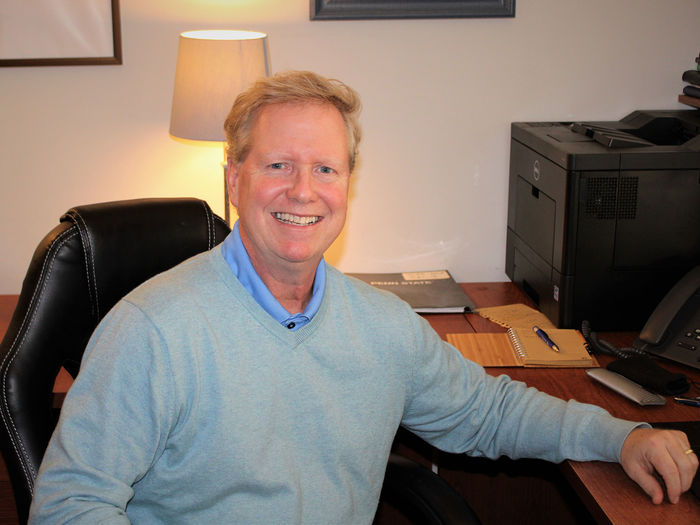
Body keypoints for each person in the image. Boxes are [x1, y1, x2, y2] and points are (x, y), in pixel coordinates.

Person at [29, 70, 697, 523]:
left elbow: (489, 412)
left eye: (325, 168)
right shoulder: (152, 330)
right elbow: (68, 504)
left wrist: (623, 435)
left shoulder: (381, 326)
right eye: (277, 165)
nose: (302, 190)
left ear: (348, 183)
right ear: (234, 179)